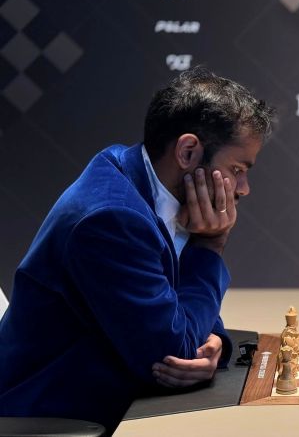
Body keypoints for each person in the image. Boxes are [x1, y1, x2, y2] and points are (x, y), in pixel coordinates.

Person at [0, 66, 275, 432]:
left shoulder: (141, 180)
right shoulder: (113, 219)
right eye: (237, 169)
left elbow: (178, 312)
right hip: (48, 412)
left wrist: (214, 344)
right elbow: (173, 353)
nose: (243, 188)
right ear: (188, 151)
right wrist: (211, 245)